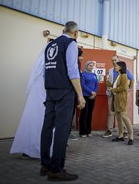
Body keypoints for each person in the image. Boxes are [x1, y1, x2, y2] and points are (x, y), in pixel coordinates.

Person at [40, 21, 86, 181]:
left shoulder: (50, 46)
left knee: (47, 127)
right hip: (65, 91)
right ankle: (56, 169)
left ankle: (45, 164)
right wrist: (80, 95)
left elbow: (45, 71)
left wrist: (49, 89)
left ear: (63, 30)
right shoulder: (71, 43)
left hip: (51, 90)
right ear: (76, 33)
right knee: (62, 129)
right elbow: (73, 70)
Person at [10, 38, 53, 159]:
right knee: (41, 122)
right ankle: (38, 149)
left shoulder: (40, 61)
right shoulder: (48, 61)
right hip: (43, 96)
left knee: (33, 121)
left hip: (39, 96)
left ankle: (29, 148)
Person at [103, 55, 134, 138]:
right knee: (117, 115)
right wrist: (107, 81)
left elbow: (123, 87)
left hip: (121, 98)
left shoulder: (124, 74)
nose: (114, 63)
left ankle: (129, 134)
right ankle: (120, 134)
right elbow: (113, 85)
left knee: (123, 115)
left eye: (116, 62)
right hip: (114, 97)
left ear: (120, 66)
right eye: (112, 61)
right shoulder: (117, 75)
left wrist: (129, 89)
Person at [79, 61, 99, 137]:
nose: (91, 67)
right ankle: (83, 132)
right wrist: (91, 92)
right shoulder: (83, 74)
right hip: (85, 96)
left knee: (90, 114)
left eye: (92, 65)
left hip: (92, 97)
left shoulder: (94, 75)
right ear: (86, 66)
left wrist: (94, 92)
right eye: (90, 65)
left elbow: (97, 84)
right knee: (84, 114)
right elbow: (82, 85)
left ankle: (88, 131)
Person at [68, 47, 84, 141]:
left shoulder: (77, 64)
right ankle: (67, 132)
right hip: (71, 93)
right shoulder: (73, 63)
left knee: (71, 113)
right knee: (69, 114)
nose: (82, 58)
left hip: (73, 93)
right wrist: (80, 95)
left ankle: (68, 132)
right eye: (81, 56)